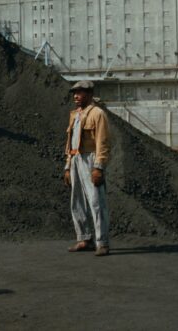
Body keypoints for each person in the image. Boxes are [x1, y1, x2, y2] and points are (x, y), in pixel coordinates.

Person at [63, 80, 112, 256]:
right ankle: (84, 238)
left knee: (96, 202)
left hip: (90, 159)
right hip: (76, 159)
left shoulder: (98, 114)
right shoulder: (75, 115)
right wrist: (68, 166)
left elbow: (103, 142)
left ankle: (102, 242)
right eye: (74, 93)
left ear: (90, 94)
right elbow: (70, 143)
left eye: (80, 92)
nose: (76, 96)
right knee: (77, 201)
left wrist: (99, 167)